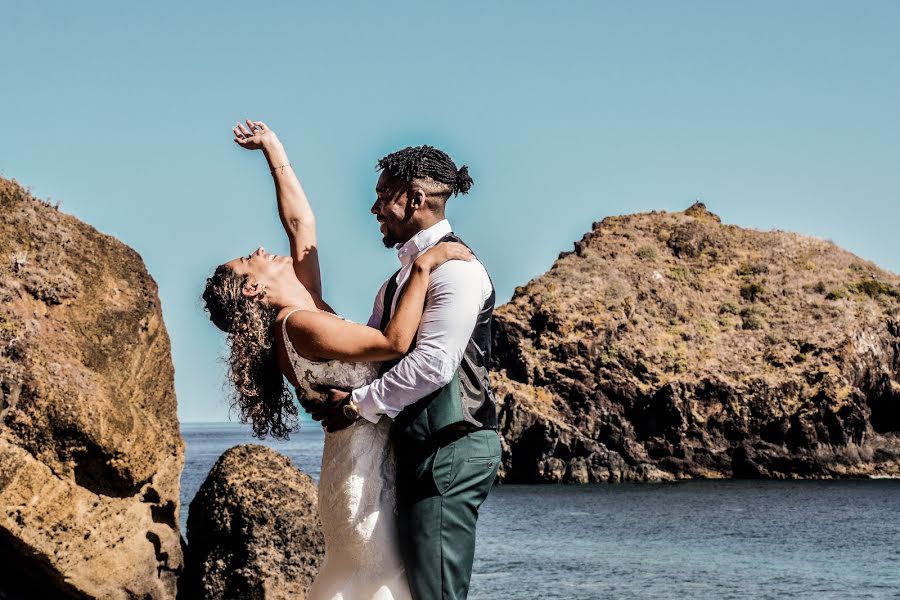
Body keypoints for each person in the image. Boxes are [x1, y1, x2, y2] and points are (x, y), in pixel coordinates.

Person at [202, 120, 473, 600]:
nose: (264, 249)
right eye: (251, 257)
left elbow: (301, 225)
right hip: (362, 480)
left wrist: (272, 149)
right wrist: (425, 266)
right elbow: (393, 344)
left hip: (361, 467)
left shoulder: (304, 310)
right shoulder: (299, 325)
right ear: (253, 289)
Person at [309, 144, 502, 600]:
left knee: (435, 592)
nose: (374, 207)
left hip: (451, 449)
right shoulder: (398, 281)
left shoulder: (457, 272)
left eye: (383, 195)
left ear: (414, 199)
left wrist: (357, 405)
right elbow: (372, 352)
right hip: (419, 448)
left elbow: (433, 364)